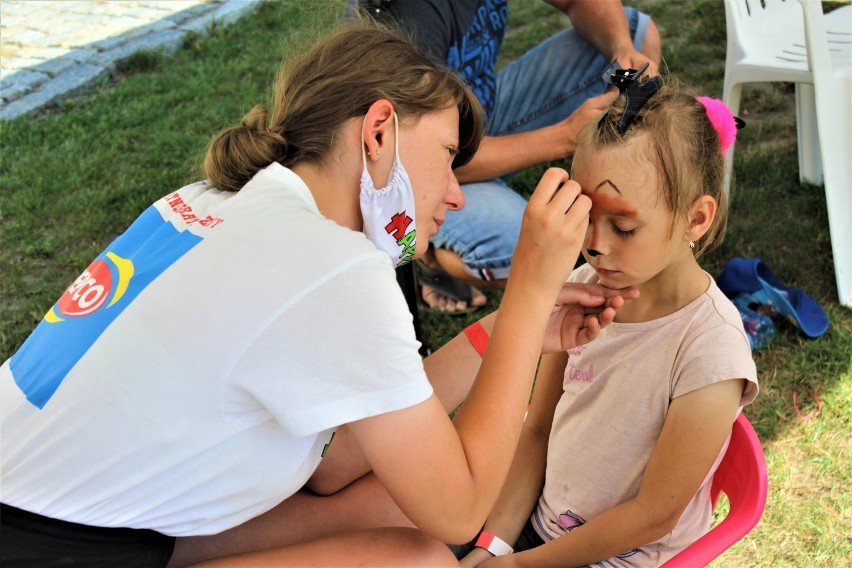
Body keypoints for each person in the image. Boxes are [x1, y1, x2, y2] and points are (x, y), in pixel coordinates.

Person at [0, 19, 636, 568]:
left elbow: (332, 467)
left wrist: (502, 328)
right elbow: (461, 508)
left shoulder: (212, 200)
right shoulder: (336, 268)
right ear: (379, 131)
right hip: (55, 546)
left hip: (70, 518)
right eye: (446, 155)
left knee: (389, 498)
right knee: (416, 559)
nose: (455, 193)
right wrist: (528, 292)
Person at [454, 76, 760, 566]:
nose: (595, 244)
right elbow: (538, 430)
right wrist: (492, 546)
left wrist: (511, 565)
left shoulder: (710, 351)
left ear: (696, 219)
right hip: (531, 529)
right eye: (585, 215)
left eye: (623, 226)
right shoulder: (585, 282)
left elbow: (653, 516)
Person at [374, 0, 662, 314]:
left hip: (475, 115)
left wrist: (621, 47)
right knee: (528, 244)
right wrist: (564, 136)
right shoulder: (411, 15)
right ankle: (425, 256)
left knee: (634, 33)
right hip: (416, 169)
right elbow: (412, 155)